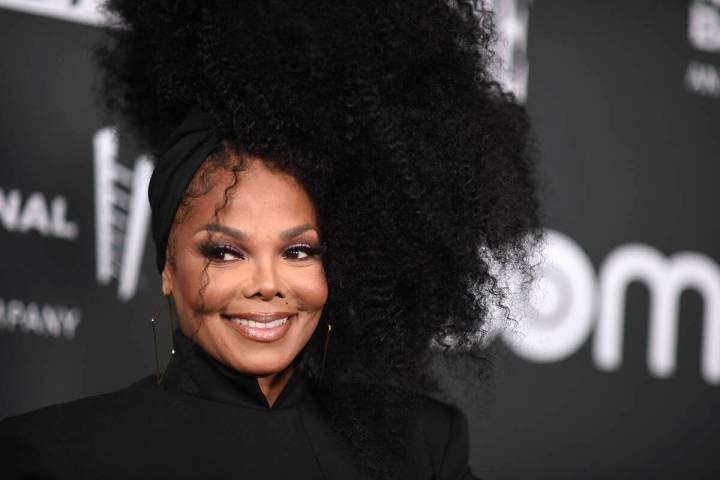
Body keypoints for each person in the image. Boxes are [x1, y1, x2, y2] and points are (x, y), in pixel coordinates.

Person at [0, 1, 541, 479]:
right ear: (167, 265)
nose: (266, 284)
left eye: (299, 251)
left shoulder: (422, 448)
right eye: (224, 252)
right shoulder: (54, 456)